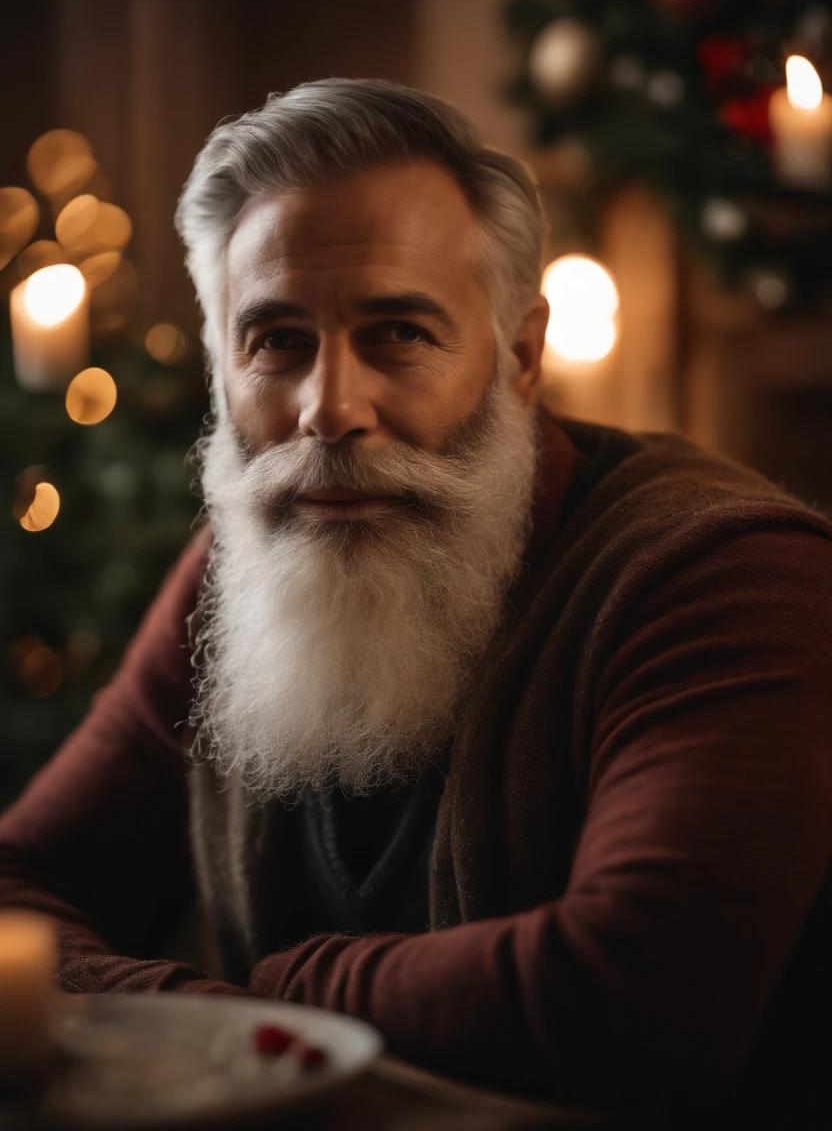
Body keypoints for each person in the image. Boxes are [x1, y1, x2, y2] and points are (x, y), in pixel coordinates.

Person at [1, 79, 830, 1124]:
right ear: (223, 361)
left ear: (519, 355)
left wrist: (273, 1014)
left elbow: (637, 1001)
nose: (330, 410)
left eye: (397, 333)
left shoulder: (726, 575)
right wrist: (210, 1019)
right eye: (276, 339)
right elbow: (17, 888)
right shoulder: (239, 563)